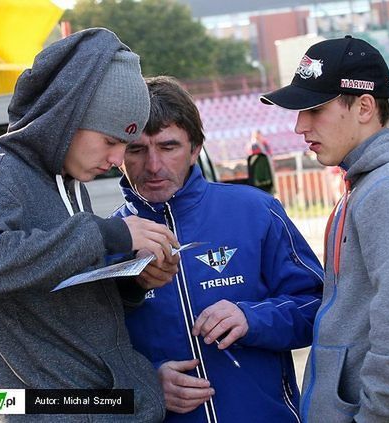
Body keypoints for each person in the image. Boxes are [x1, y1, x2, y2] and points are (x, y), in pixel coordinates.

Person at [0, 28, 180, 421]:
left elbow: (55, 289)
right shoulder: (0, 172)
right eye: (110, 140)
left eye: (126, 145)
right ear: (67, 117)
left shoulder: (66, 180)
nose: (116, 158)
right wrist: (108, 233)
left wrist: (133, 281)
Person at [260, 35, 389, 422]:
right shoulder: (372, 183)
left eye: (314, 109)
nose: (300, 125)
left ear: (365, 107)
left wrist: (372, 416)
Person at [112, 76, 324, 422]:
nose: (153, 165)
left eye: (168, 147)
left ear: (195, 148)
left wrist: (251, 318)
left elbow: (318, 308)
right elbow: (87, 365)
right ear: (119, 153)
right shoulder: (108, 243)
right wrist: (145, 386)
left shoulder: (256, 211)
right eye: (136, 149)